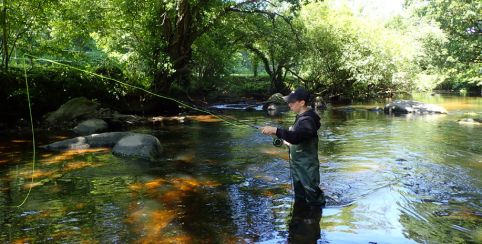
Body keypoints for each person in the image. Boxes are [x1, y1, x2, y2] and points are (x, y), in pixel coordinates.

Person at [260, 87, 325, 207]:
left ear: (302, 103)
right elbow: (297, 138)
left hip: (307, 167)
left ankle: (313, 220)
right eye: (288, 101)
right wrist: (282, 139)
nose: (289, 104)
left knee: (314, 199)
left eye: (292, 102)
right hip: (298, 166)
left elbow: (297, 136)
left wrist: (276, 130)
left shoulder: (308, 120)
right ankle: (300, 219)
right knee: (300, 197)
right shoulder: (301, 117)